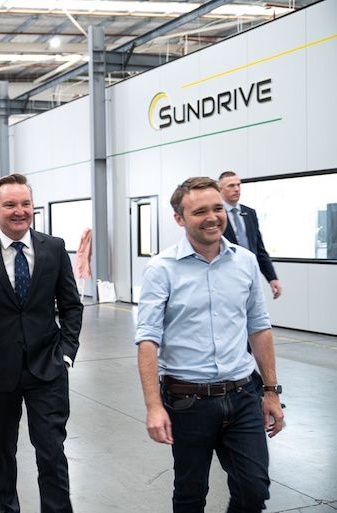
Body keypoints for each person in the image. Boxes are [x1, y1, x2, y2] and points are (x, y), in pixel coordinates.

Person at [135, 177, 284, 513]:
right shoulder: (162, 269)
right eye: (200, 211)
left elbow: (259, 327)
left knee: (254, 489)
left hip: (244, 395)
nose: (213, 217)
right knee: (190, 494)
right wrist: (153, 406)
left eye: (217, 208)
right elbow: (147, 340)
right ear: (179, 219)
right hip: (187, 401)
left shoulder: (245, 261)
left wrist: (272, 391)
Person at [0, 173, 83, 513]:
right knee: (2, 451)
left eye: (25, 204)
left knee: (52, 451)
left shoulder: (53, 248)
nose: (19, 211)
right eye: (10, 204)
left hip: (49, 368)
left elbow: (71, 305)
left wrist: (67, 354)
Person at [218, 171, 282, 299]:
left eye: (238, 185)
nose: (236, 189)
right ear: (220, 190)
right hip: (225, 277)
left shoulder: (249, 213)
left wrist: (272, 278)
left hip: (250, 274)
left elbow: (259, 249)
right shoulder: (216, 214)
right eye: (231, 186)